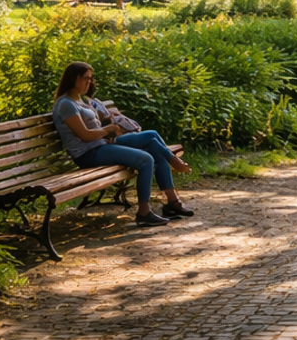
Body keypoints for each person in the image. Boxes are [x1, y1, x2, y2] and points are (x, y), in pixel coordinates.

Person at [51, 62, 194, 227]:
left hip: (101, 144)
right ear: (72, 78)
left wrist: (109, 123)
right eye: (85, 78)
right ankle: (144, 212)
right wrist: (108, 130)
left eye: (90, 79)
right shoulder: (66, 104)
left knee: (153, 140)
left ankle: (172, 201)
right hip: (88, 153)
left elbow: (94, 128)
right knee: (146, 159)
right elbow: (84, 135)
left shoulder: (81, 100)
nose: (88, 82)